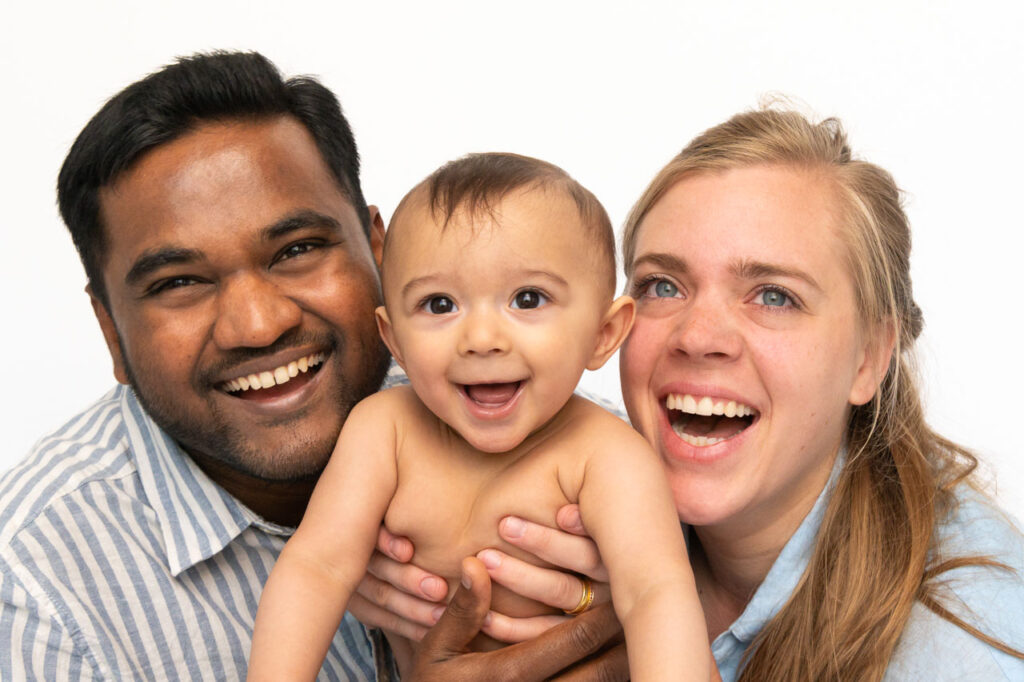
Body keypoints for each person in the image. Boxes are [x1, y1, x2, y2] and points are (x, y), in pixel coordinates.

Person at [0, 51, 626, 681]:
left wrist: (622, 609)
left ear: (381, 253)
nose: (259, 324)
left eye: (298, 249)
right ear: (109, 329)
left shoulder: (572, 436)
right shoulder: (37, 590)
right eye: (179, 282)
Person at [366, 108, 1024, 681]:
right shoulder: (575, 490)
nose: (699, 336)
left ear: (870, 357)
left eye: (774, 295)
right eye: (663, 286)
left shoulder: (966, 648)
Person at [248, 153, 708, 681]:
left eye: (528, 299)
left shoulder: (608, 457)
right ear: (393, 338)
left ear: (604, 335)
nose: (482, 340)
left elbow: (655, 593)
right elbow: (316, 566)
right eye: (440, 305)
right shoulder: (383, 432)